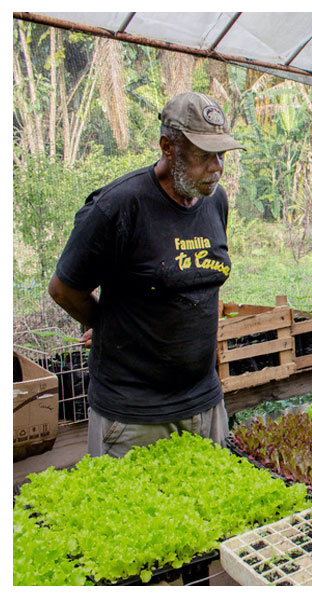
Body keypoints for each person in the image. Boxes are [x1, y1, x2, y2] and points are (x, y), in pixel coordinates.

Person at [48, 91, 245, 458]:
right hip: (135, 415)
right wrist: (105, 323)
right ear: (168, 147)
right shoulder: (120, 206)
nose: (216, 166)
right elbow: (64, 288)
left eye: (222, 154)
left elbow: (203, 276)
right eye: (204, 155)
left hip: (204, 401)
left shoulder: (214, 200)